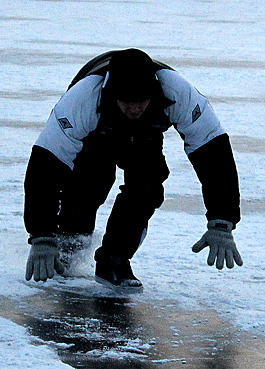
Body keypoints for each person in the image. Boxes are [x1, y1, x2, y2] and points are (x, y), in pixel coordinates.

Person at [24, 48, 243, 292]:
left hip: (144, 136)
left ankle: (114, 259)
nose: (134, 108)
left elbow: (214, 155)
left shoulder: (179, 94)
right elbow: (45, 167)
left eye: (142, 100)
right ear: (111, 93)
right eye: (126, 101)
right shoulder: (83, 99)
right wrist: (42, 235)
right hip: (94, 134)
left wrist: (221, 220)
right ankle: (68, 246)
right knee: (89, 185)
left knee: (147, 186)